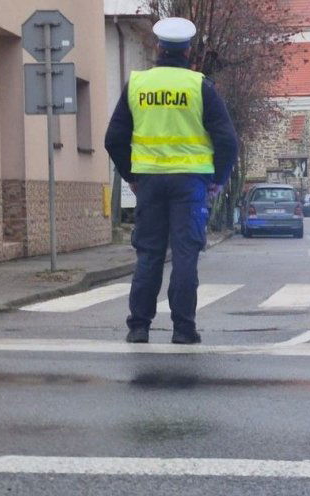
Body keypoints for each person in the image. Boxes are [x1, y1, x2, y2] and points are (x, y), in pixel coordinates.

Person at [105, 17, 238, 345]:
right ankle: (183, 329)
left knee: (148, 254)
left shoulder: (137, 85)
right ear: (188, 51)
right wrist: (218, 180)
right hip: (190, 185)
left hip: (149, 183)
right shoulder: (199, 87)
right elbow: (227, 140)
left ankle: (139, 327)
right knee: (184, 254)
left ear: (159, 48)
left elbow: (114, 138)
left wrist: (131, 175)